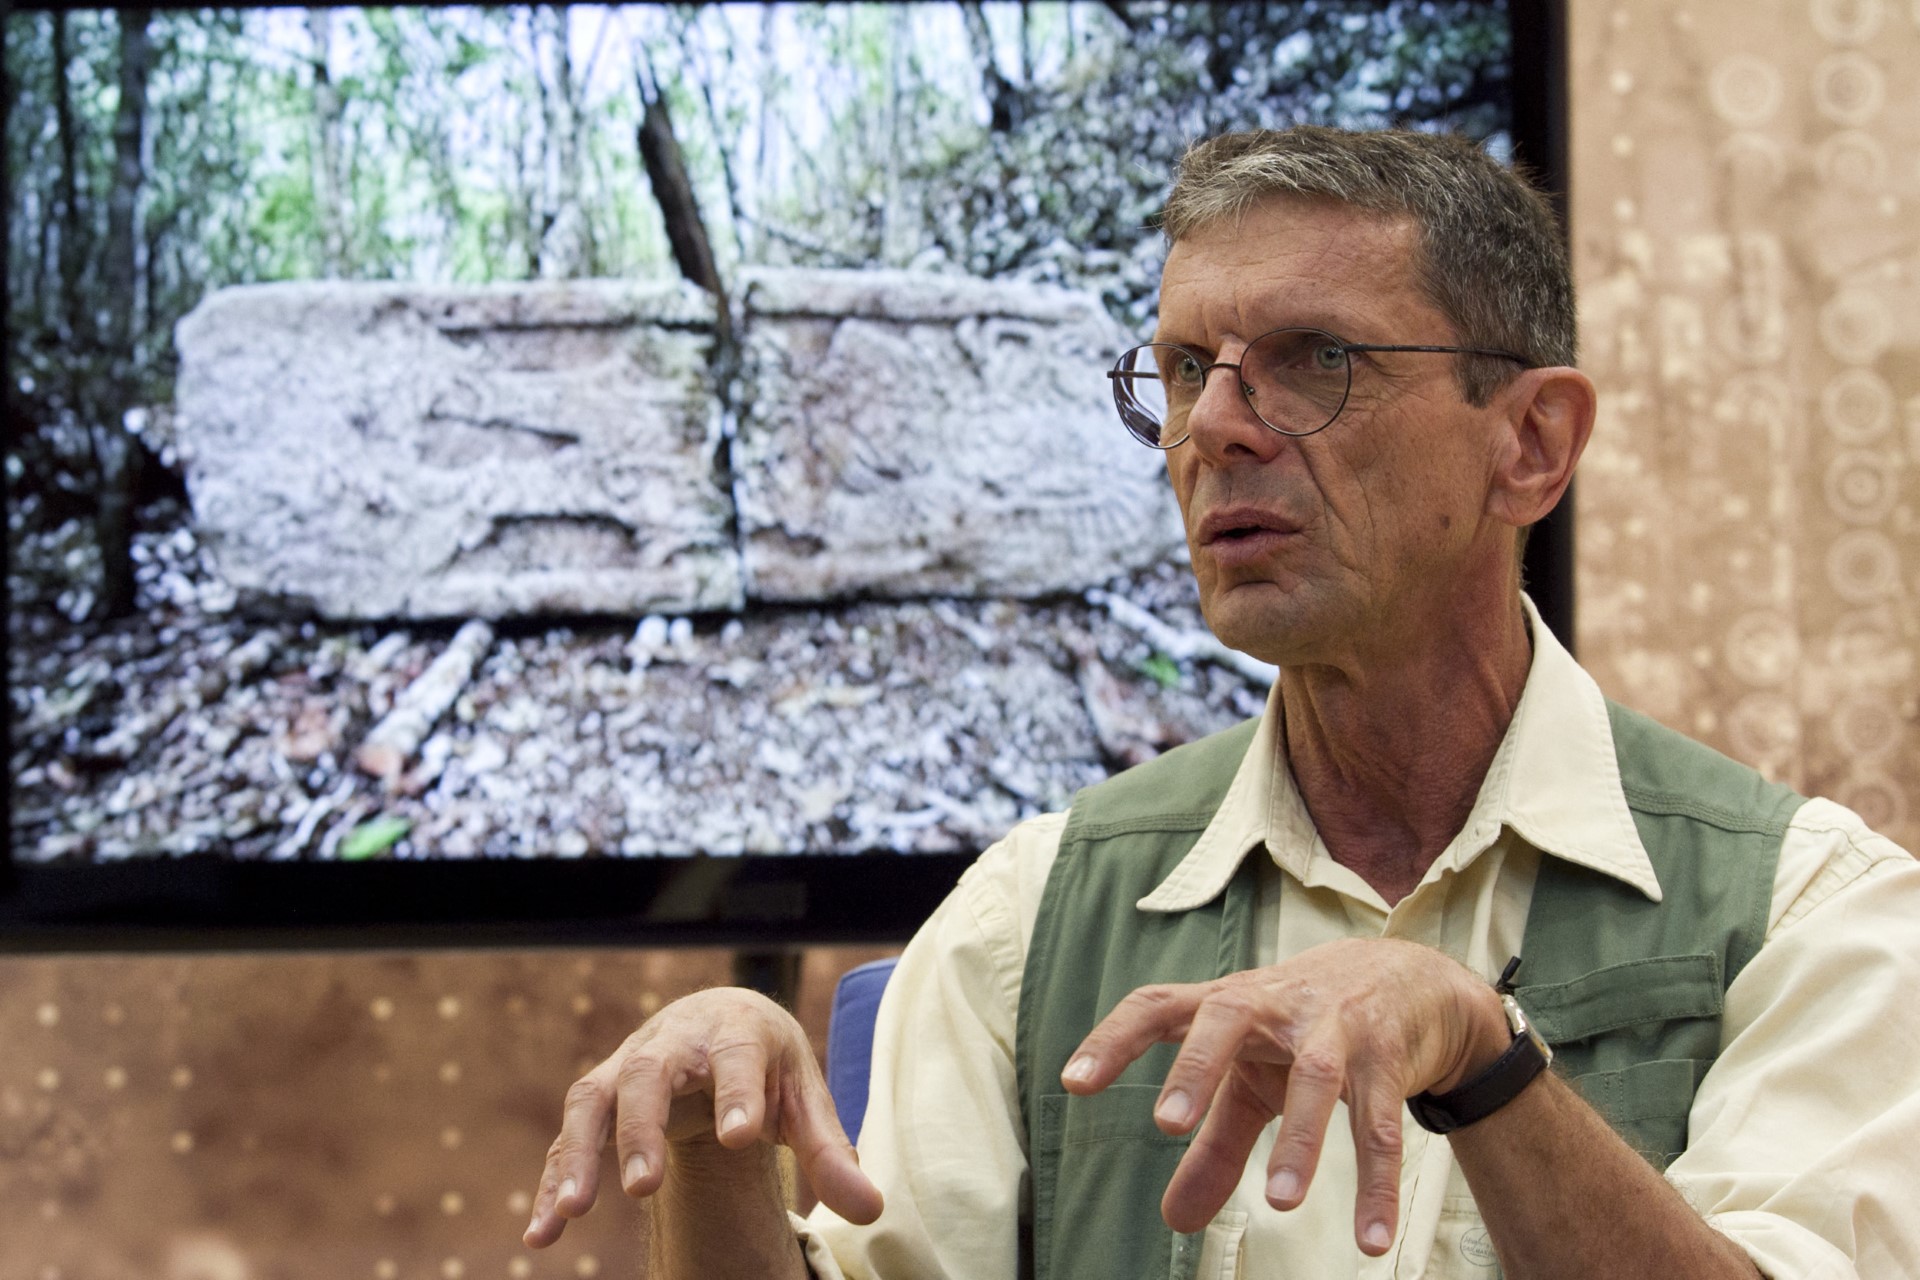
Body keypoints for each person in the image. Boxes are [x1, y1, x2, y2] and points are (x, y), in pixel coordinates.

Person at [523, 126, 1920, 1278]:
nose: (1214, 430)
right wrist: (711, 1167)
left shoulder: (1807, 909)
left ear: (1533, 444)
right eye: (1188, 369)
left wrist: (1487, 1063)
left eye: (1320, 360)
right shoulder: (1037, 912)